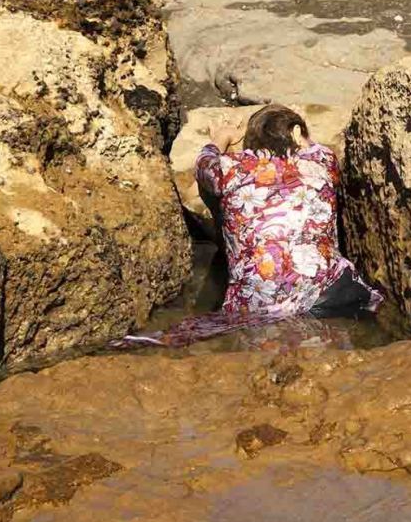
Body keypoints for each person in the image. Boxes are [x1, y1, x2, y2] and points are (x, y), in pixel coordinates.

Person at [132, 105, 382, 346]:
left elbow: (203, 163)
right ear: (296, 133)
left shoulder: (229, 169)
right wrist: (295, 125)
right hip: (328, 294)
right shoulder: (323, 161)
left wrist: (222, 137)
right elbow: (309, 147)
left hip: (257, 307)